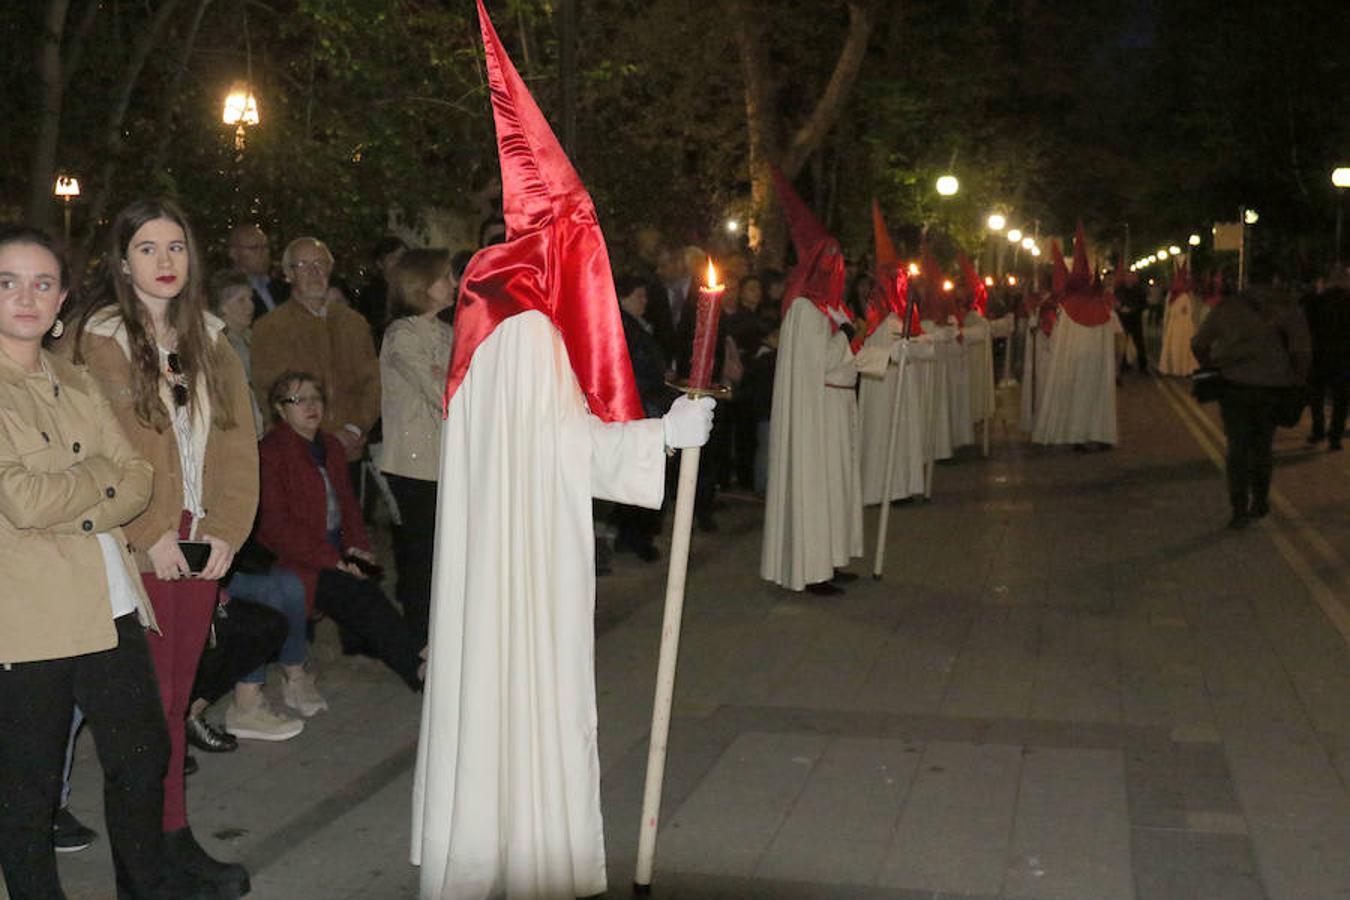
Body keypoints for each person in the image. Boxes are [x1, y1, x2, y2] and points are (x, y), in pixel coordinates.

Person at [411, 6, 714, 897]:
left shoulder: (491, 317)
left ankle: (484, 850)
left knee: (490, 705)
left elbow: (543, 446)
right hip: (529, 568)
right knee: (529, 705)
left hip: (495, 565)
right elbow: (565, 454)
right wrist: (663, 433)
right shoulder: (531, 333)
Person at [0, 226, 222, 900]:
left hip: (113, 599)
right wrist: (98, 483)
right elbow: (23, 500)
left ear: (63, 298)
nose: (27, 297)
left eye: (44, 283)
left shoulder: (73, 379)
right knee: (30, 788)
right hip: (30, 616)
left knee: (142, 756)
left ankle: (143, 887)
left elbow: (137, 479)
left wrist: (87, 488)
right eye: (8, 282)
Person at [70, 199, 257, 899]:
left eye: (175, 246)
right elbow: (99, 448)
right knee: (144, 715)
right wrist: (148, 538)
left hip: (198, 536)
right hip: (134, 542)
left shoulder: (210, 338)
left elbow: (237, 445)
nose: (164, 261)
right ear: (122, 263)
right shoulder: (97, 341)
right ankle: (145, 860)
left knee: (177, 701)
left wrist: (226, 529)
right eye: (147, 249)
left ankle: (174, 838)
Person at [760, 169, 893, 595]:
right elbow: (825, 362)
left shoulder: (830, 309)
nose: (839, 267)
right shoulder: (803, 311)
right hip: (815, 416)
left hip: (837, 410)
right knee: (818, 484)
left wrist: (880, 348)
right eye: (832, 259)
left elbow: (845, 356)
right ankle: (810, 568)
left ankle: (831, 559)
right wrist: (854, 338)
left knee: (837, 486)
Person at [257, 371, 425, 691]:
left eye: (316, 398)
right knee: (355, 591)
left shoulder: (330, 445)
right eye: (299, 400)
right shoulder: (271, 453)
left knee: (367, 579)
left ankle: (411, 652)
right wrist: (334, 559)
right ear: (280, 409)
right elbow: (277, 528)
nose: (311, 406)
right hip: (296, 558)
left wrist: (358, 547)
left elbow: (348, 505)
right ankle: (417, 666)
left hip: (334, 550)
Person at [379, 249, 456, 647]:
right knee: (421, 556)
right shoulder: (402, 334)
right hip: (413, 464)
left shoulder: (445, 332)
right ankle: (420, 642)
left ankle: (443, 634)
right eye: (445, 276)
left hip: (444, 460)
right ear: (421, 284)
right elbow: (442, 391)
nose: (453, 284)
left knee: (446, 554)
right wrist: (448, 379)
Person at [251, 236, 382, 467]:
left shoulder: (354, 323)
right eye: (303, 265)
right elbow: (269, 393)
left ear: (330, 269)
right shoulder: (270, 328)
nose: (314, 272)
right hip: (299, 455)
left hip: (350, 451)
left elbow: (372, 384)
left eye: (320, 264)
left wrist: (354, 428)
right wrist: (318, 437)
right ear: (288, 274)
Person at [1193, 286, 1311, 528]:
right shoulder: (1288, 308)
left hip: (1235, 387)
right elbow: (1301, 351)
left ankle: (1239, 509)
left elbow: (1199, 343)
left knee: (1237, 448)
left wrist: (1212, 366)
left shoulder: (1228, 307)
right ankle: (1259, 501)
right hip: (1272, 388)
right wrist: (1297, 380)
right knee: (1263, 447)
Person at [1031, 227, 1118, 450]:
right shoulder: (1103, 308)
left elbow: (1056, 340)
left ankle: (1076, 434)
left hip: (1075, 364)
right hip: (1098, 364)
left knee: (1076, 396)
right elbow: (1112, 338)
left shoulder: (1067, 308)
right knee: (1097, 397)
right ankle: (1099, 433)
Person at [209, 268, 265, 435]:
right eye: (241, 300)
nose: (250, 306)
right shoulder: (218, 342)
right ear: (222, 306)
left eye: (251, 298)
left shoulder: (254, 337)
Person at [1301, 268, 1350, 450]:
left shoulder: (1316, 300)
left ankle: (1318, 430)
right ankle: (1335, 437)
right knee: (1340, 400)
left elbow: (1305, 323)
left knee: (1317, 396)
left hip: (1319, 355)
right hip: (1343, 358)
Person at [355, 235, 408, 346]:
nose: (398, 262)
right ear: (380, 263)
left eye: (402, 257)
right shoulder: (370, 294)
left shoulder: (414, 290)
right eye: (392, 258)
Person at [226, 224, 287, 317]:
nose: (263, 253)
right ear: (234, 253)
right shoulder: (226, 292)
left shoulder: (282, 288)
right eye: (254, 248)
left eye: (266, 247)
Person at [1158, 263, 1199, 376]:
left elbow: (1188, 311)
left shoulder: (1185, 296)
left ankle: (1182, 368)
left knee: (1181, 345)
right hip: (1175, 324)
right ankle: (1174, 367)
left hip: (1183, 325)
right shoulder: (1173, 295)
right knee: (1175, 345)